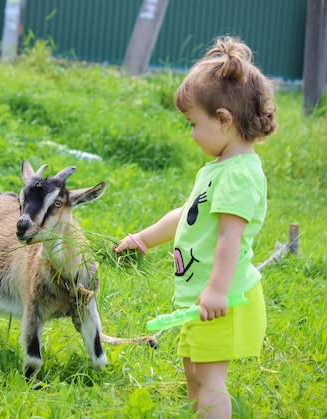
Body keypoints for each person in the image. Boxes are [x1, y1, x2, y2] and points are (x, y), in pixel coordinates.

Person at [114, 36, 277, 418]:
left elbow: (229, 237)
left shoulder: (238, 176)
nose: (190, 134)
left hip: (223, 301)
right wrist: (143, 239)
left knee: (209, 378)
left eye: (193, 124)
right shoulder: (219, 169)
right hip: (201, 299)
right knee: (193, 371)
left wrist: (217, 290)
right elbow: (187, 214)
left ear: (224, 120)